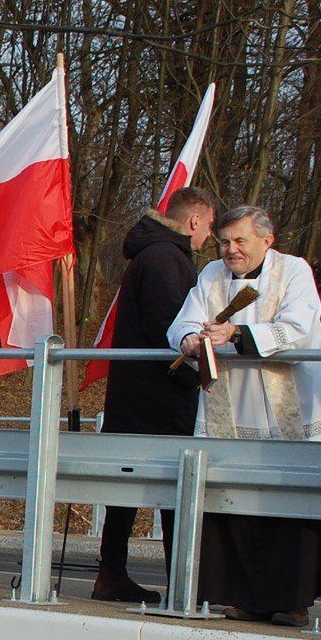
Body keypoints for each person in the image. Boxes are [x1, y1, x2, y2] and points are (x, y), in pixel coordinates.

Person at [168, 205, 321, 626]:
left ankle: (292, 600)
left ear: (267, 239)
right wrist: (190, 339)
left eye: (240, 240)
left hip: (289, 406)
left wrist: (237, 334)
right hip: (233, 404)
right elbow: (183, 322)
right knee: (234, 501)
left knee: (290, 505)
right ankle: (240, 596)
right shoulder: (211, 275)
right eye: (224, 241)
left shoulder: (294, 271)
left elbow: (299, 326)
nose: (231, 249)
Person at [94, 187, 219, 603]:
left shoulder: (155, 253)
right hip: (159, 392)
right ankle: (179, 581)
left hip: (137, 392)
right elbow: (167, 325)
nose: (210, 238)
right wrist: (193, 375)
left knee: (127, 488)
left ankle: (114, 572)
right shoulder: (166, 257)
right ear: (195, 220)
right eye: (211, 226)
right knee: (173, 488)